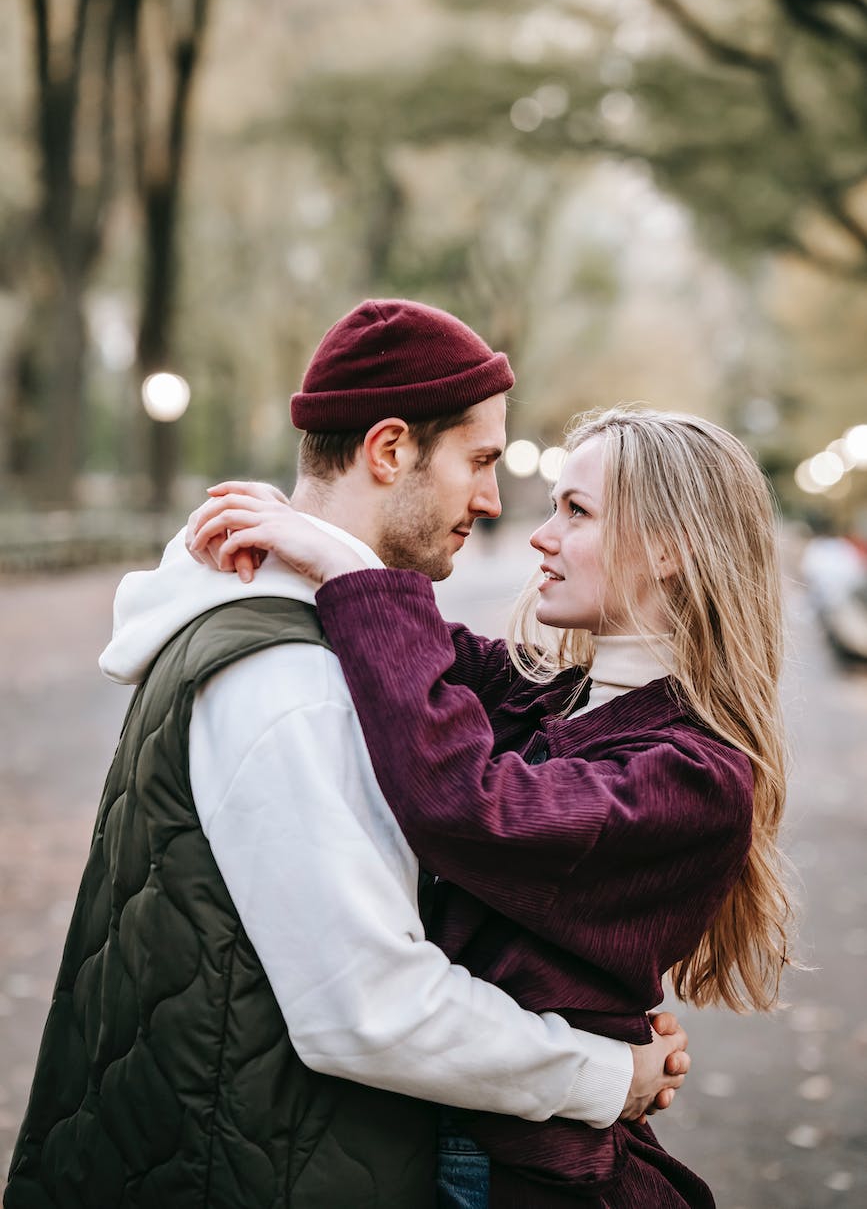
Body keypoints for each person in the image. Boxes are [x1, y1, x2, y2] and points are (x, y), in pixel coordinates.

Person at [4, 304, 688, 1209]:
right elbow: (370, 1007)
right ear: (391, 449)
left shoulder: (282, 633)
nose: (493, 504)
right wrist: (608, 1078)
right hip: (259, 1168)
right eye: (480, 461)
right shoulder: (297, 679)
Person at [188, 404, 792, 1207]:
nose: (540, 535)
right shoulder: (547, 694)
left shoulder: (694, 777)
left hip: (508, 1174)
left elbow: (468, 806)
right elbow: (408, 650)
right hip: (441, 1141)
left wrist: (345, 568)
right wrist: (316, 541)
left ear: (668, 547)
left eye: (574, 512)